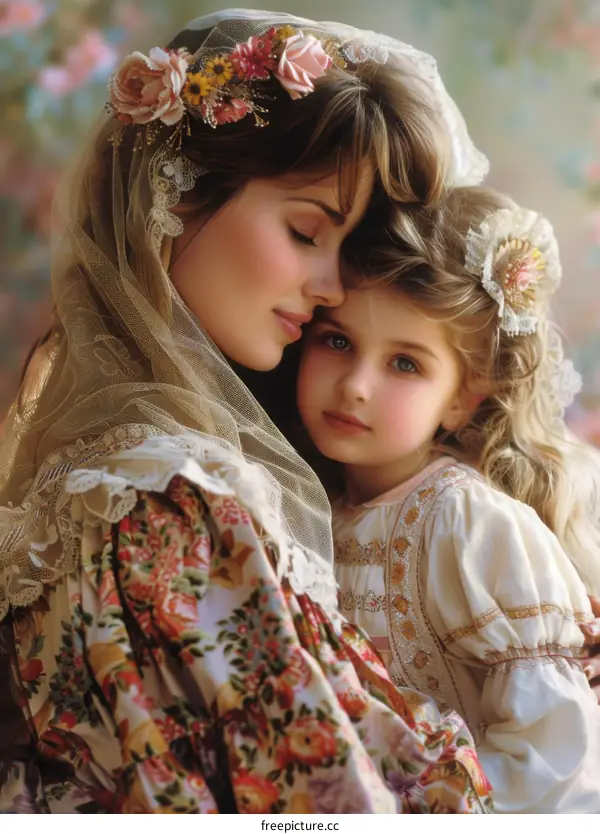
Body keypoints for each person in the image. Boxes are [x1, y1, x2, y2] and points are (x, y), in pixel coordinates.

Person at [0, 9, 494, 814]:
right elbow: (324, 806)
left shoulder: (113, 479)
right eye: (307, 232)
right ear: (177, 198)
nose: (332, 287)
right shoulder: (162, 499)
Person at [297, 185, 600, 813]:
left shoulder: (468, 521)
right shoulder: (313, 505)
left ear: (464, 397)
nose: (354, 386)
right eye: (336, 341)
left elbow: (555, 760)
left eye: (405, 365)